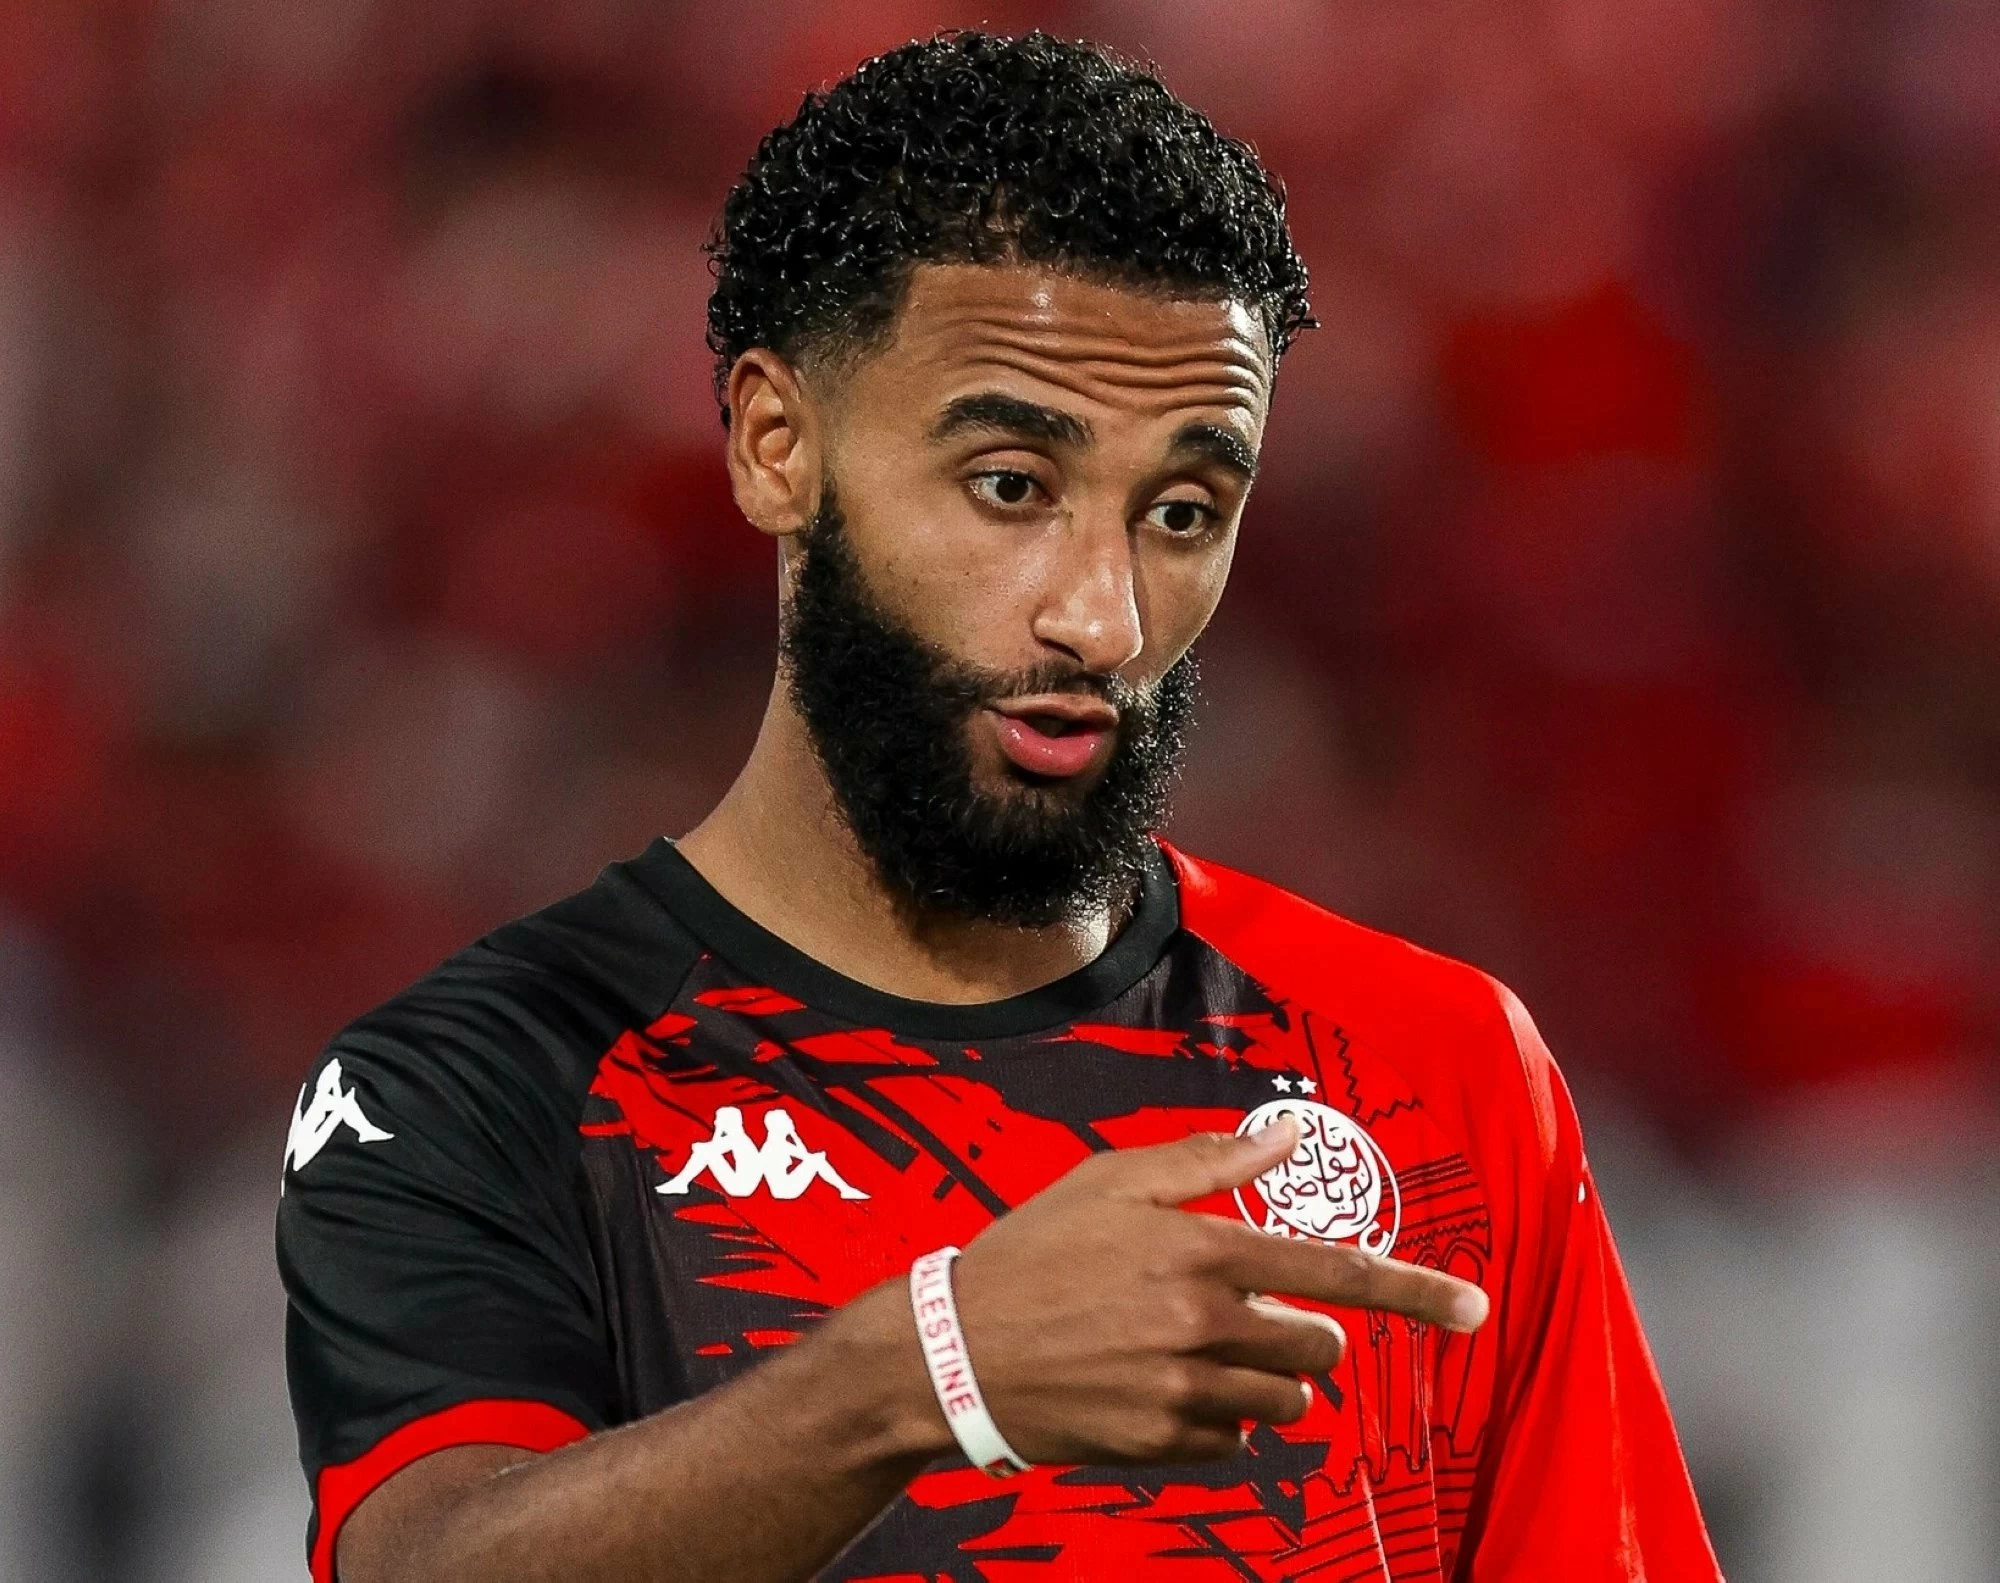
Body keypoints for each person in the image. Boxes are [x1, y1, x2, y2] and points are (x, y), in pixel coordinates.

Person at [277, 31, 1721, 1583]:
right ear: (776, 446)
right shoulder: (489, 1079)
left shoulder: (1440, 1072)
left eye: (1183, 511)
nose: (1103, 617)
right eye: (1013, 486)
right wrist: (930, 1374)